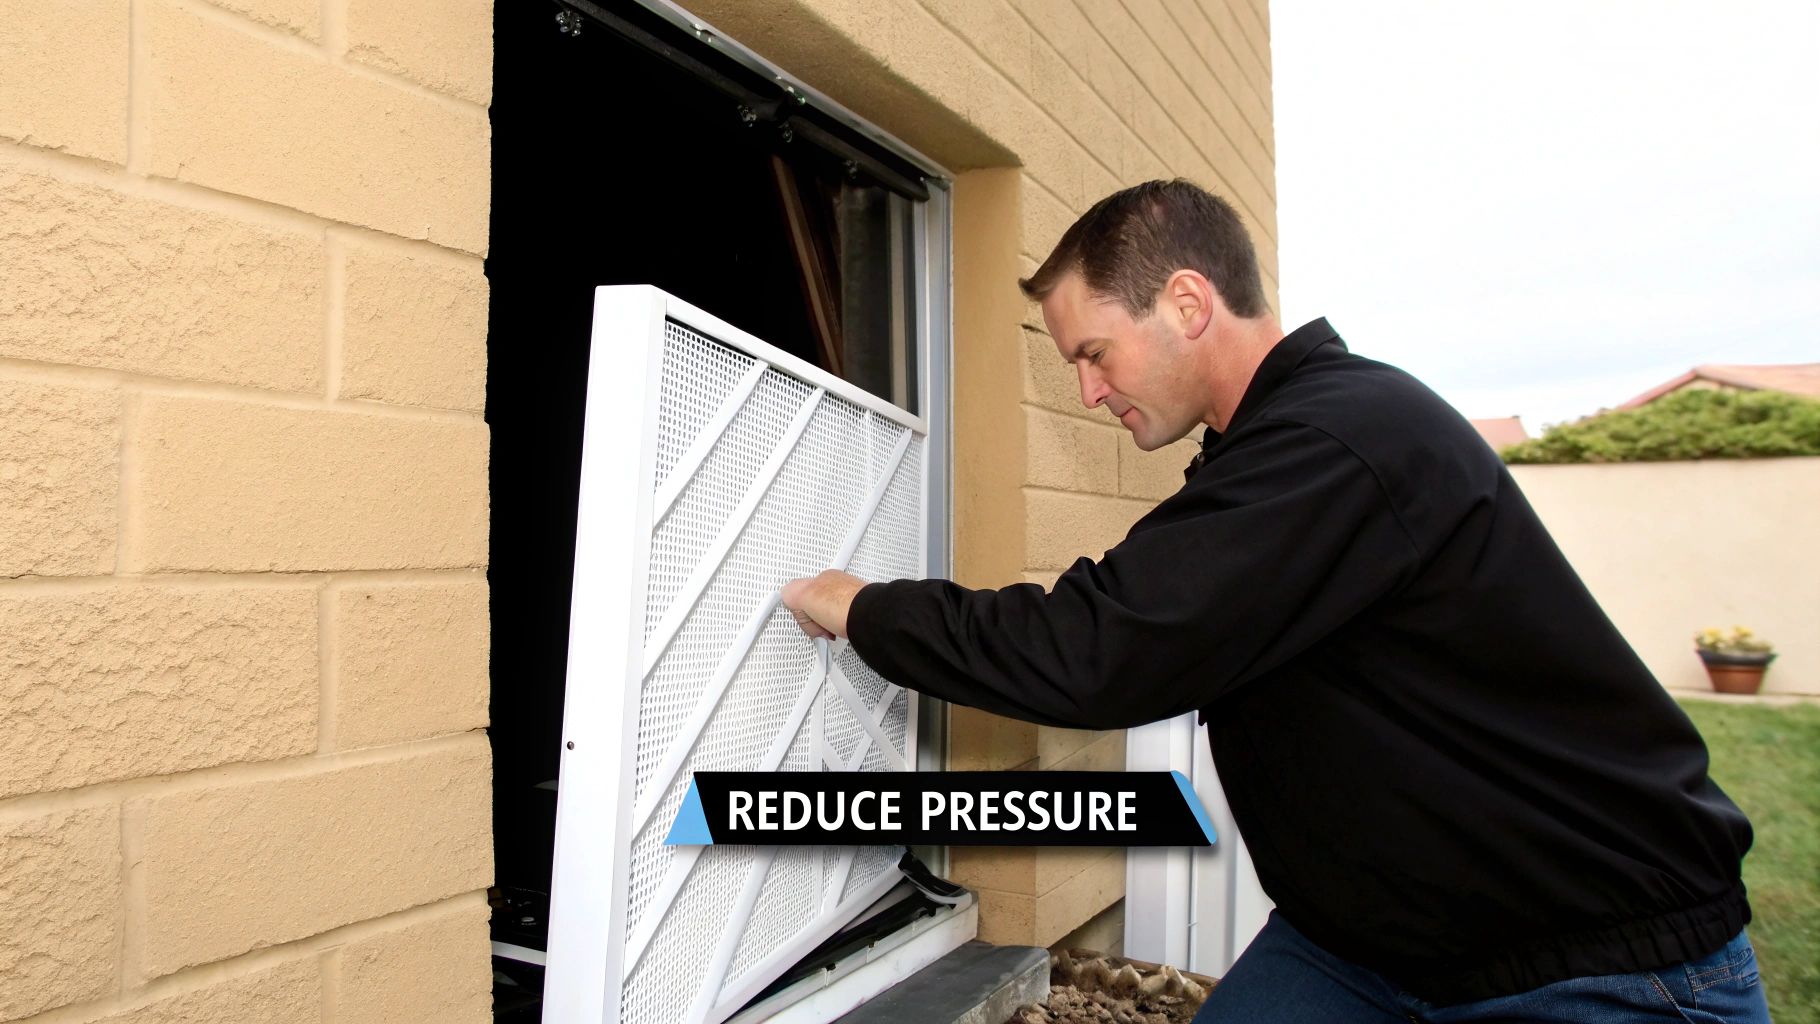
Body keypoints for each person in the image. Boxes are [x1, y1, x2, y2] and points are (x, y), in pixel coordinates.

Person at [780, 179, 1768, 1023]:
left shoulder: (1334, 443)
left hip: (1593, 962)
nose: (1086, 392)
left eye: (1091, 353)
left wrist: (859, 605)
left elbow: (1093, 648)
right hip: (1365, 947)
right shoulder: (1276, 454)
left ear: (1184, 302)